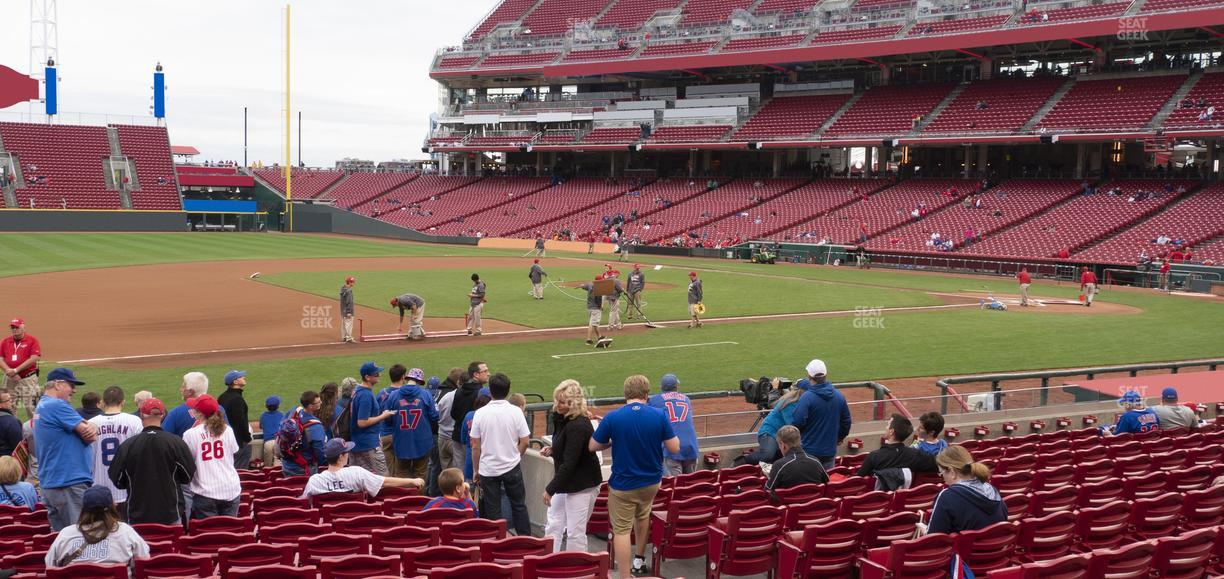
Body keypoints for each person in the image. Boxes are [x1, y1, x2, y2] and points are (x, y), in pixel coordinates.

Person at [590, 375, 680, 578]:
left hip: (623, 485)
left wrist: (613, 438)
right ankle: (639, 560)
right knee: (642, 516)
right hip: (651, 482)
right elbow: (675, 447)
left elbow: (593, 446)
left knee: (621, 530)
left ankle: (624, 575)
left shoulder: (613, 417)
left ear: (625, 394)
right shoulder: (659, 415)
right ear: (647, 394)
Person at [109, 398, 196, 526]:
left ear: (141, 415)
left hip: (136, 513)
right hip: (170, 512)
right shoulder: (176, 443)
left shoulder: (128, 445)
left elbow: (117, 479)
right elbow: (187, 476)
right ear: (163, 415)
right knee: (170, 545)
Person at [543, 380, 602, 553]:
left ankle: (577, 569)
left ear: (572, 404)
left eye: (561, 402)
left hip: (582, 484)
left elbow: (570, 462)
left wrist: (550, 489)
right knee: (554, 522)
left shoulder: (578, 425)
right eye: (557, 400)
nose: (557, 405)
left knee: (575, 532)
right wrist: (554, 450)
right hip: (569, 481)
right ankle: (548, 561)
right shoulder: (565, 419)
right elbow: (567, 449)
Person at [35, 368, 97, 531]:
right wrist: (92, 426)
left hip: (51, 483)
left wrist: (90, 425)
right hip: (68, 482)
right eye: (71, 385)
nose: (74, 390)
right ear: (57, 384)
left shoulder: (42, 405)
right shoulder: (57, 405)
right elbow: (90, 436)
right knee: (81, 537)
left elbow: (86, 427)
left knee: (62, 539)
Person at [470, 373, 531, 536]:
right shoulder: (516, 412)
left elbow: (475, 446)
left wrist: (476, 470)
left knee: (493, 509)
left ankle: (498, 543)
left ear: (490, 391)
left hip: (488, 469)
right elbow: (525, 442)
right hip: (511, 467)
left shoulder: (480, 413)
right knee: (519, 505)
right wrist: (515, 456)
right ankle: (526, 541)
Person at [44, 486, 149, 570]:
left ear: (84, 508)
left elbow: (49, 567)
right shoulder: (125, 532)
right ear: (112, 506)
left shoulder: (66, 534)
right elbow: (144, 561)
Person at [921, 445, 1006, 535]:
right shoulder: (992, 490)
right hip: (998, 547)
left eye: (941, 473)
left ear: (952, 472)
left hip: (965, 548)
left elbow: (935, 537)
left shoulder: (947, 496)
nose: (943, 478)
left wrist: (924, 530)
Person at [300, 438, 423, 499]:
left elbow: (304, 502)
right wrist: (411, 481)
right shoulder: (356, 473)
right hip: (354, 525)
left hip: (326, 529)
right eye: (346, 451)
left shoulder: (314, 481)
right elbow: (384, 482)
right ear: (341, 456)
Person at [184, 394, 242, 519]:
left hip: (205, 492)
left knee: (211, 536)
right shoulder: (227, 430)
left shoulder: (190, 434)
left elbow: (187, 462)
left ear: (199, 413)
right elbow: (234, 452)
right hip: (231, 489)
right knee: (230, 533)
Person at [88, 386, 142, 517]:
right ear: (122, 402)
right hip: (125, 488)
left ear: (103, 403)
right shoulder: (133, 421)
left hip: (98, 489)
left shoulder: (90, 424)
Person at [790, 359, 851, 470]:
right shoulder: (839, 396)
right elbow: (846, 421)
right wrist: (839, 437)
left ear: (809, 376)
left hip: (809, 451)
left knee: (810, 484)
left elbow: (797, 422)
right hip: (829, 450)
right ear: (825, 375)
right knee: (826, 483)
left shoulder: (807, 397)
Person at [384, 368, 439, 479]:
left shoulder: (393, 395)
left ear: (407, 378)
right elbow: (435, 416)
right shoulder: (426, 394)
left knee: (402, 475)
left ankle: (404, 496)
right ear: (419, 381)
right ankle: (418, 497)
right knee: (420, 475)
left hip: (401, 441)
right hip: (422, 441)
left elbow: (387, 419)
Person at [856, 415, 938, 486]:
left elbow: (857, 481)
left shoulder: (874, 456)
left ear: (891, 432)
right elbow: (939, 464)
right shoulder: (915, 455)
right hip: (905, 499)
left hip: (877, 500)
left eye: (888, 425)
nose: (885, 427)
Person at [738, 381, 803, 465]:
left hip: (784, 434)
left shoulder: (802, 403)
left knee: (778, 457)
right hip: (770, 432)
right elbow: (792, 426)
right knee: (767, 455)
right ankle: (740, 462)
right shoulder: (789, 403)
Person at [648, 374, 698, 475]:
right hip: (691, 446)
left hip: (671, 448)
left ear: (661, 387)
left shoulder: (655, 400)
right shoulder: (686, 399)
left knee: (674, 486)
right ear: (676, 386)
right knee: (691, 483)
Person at [351, 362, 394, 475]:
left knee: (362, 479)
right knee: (383, 477)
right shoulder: (365, 395)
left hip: (358, 442)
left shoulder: (357, 390)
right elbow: (362, 422)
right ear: (367, 377)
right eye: (376, 374)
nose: (379, 375)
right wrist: (383, 416)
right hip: (367, 444)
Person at [764, 425, 828, 496]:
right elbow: (827, 482)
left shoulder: (779, 465)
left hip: (788, 505)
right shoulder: (816, 461)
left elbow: (767, 490)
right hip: (814, 505)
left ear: (782, 445)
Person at [1, 318, 42, 421]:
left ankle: (35, 433)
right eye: (12, 327)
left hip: (28, 379)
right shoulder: (5, 342)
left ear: (23, 327)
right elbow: (0, 358)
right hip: (10, 379)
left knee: (32, 408)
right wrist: (9, 371)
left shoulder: (32, 340)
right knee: (9, 407)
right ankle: (12, 431)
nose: (14, 329)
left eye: (17, 327)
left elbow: (35, 358)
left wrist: (16, 370)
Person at [451, 362, 489, 469]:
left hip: (457, 435)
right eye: (485, 371)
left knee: (459, 472)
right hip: (472, 440)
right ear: (476, 374)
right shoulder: (481, 393)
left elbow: (453, 413)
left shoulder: (459, 390)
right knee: (474, 471)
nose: (488, 374)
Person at [279, 391, 326, 477]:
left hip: (286, 464)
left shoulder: (293, 411)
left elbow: (281, 425)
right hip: (304, 468)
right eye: (318, 402)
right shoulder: (315, 426)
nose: (321, 403)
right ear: (310, 406)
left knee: (288, 489)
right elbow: (319, 451)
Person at [216, 370, 252, 469]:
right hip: (238, 442)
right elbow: (240, 422)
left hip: (224, 440)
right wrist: (247, 438)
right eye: (241, 376)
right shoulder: (237, 399)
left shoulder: (222, 397)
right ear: (235, 382)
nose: (244, 377)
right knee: (241, 471)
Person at [163, 372, 210, 437]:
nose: (180, 389)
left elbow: (163, 438)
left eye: (183, 387)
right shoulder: (219, 409)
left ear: (191, 392)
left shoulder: (177, 413)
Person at [578, 277, 611, 347]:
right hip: (596, 308)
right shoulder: (598, 289)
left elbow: (584, 286)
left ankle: (599, 336)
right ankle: (588, 339)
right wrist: (600, 307)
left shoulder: (590, 285)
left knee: (595, 323)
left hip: (589, 307)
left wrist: (581, 286)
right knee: (592, 324)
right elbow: (598, 299)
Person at [259, 396, 285, 468]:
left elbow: (261, 427)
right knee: (278, 465)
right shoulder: (282, 415)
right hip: (279, 441)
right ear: (278, 406)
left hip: (268, 442)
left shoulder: (263, 415)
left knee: (268, 466)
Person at [0, 390, 20, 456]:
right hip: (7, 462)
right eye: (8, 400)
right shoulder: (11, 422)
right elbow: (18, 447)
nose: (11, 402)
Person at [339, 276, 356, 343]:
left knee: (344, 324)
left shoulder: (343, 289)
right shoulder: (349, 291)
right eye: (352, 282)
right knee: (348, 323)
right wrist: (349, 312)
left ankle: (344, 337)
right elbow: (349, 302)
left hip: (343, 309)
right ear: (349, 282)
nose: (353, 283)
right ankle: (348, 337)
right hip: (348, 310)